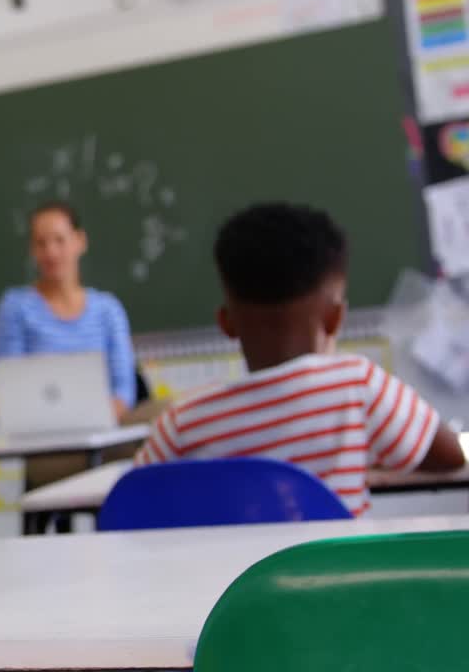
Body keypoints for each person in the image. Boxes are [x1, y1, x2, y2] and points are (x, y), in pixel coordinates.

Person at [134, 202, 465, 515]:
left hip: (228, 575)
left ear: (225, 322)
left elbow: (134, 499)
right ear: (336, 318)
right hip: (340, 573)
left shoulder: (184, 422)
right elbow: (449, 455)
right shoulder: (356, 385)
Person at [0, 202, 137, 418]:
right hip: (40, 436)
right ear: (32, 250)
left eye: (60, 240)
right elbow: (8, 388)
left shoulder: (108, 310)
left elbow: (124, 390)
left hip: (102, 435)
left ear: (80, 241)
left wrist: (93, 421)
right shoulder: (16, 308)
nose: (51, 252)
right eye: (41, 243)